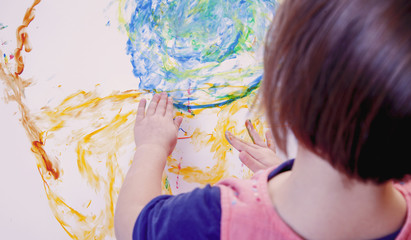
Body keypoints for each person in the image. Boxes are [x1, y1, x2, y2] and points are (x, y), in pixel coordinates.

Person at [114, 0, 411, 239]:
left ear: (283, 97)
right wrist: (285, 173)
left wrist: (150, 147)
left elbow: (131, 225)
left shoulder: (218, 219)